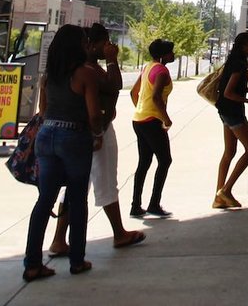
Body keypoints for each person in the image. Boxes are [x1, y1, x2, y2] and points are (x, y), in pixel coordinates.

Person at [49, 23, 144, 255]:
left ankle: (59, 239)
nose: (109, 46)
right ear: (89, 45)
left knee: (75, 184)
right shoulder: (88, 71)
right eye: (105, 42)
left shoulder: (65, 70)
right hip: (94, 131)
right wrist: (112, 60)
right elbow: (114, 86)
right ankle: (117, 233)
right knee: (104, 179)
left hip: (72, 132)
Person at [22, 24, 101, 281]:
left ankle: (32, 264)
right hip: (74, 136)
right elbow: (93, 114)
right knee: (77, 199)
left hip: (47, 136)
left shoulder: (49, 76)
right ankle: (77, 260)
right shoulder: (85, 74)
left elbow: (43, 111)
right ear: (78, 46)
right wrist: (97, 133)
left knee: (45, 199)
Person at [213, 31, 248, 209]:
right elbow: (228, 92)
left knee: (229, 152)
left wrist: (247, 90)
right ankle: (225, 190)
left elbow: (231, 87)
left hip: (224, 110)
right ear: (243, 47)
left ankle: (219, 197)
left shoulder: (234, 62)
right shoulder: (239, 65)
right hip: (233, 112)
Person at [129, 38, 176, 218]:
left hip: (139, 119)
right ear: (164, 55)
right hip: (152, 121)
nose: (173, 54)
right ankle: (154, 204)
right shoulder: (162, 71)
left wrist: (141, 109)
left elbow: (133, 92)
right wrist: (166, 119)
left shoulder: (147, 67)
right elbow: (156, 97)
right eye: (170, 52)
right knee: (165, 160)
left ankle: (135, 206)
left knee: (144, 162)